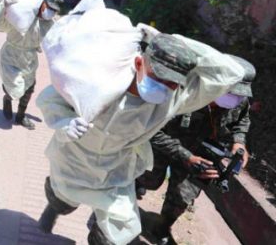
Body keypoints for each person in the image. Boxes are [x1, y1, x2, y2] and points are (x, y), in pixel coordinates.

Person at [36, 30, 244, 245]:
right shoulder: (100, 79)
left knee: (117, 232)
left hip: (114, 171)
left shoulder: (171, 100)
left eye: (173, 82)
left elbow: (230, 73)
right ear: (138, 63)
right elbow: (50, 98)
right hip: (74, 159)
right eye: (158, 76)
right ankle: (53, 210)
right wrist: (64, 123)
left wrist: (179, 42)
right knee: (63, 201)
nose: (165, 86)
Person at [135, 55, 254, 245]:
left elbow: (241, 121)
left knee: (183, 195)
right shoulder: (182, 90)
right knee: (147, 179)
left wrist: (239, 142)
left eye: (238, 93)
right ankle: (125, 204)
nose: (235, 97)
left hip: (200, 154)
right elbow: (153, 131)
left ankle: (162, 228)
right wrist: (185, 156)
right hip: (164, 146)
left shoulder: (238, 99)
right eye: (230, 91)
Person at [0, 0, 64, 130]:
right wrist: (3, 7)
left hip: (29, 60)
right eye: (49, 9)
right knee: (13, 87)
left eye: (54, 11)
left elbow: (53, 39)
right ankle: (7, 99)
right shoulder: (21, 15)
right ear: (43, 4)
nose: (51, 13)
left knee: (29, 89)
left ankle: (20, 116)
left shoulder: (47, 23)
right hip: (11, 56)